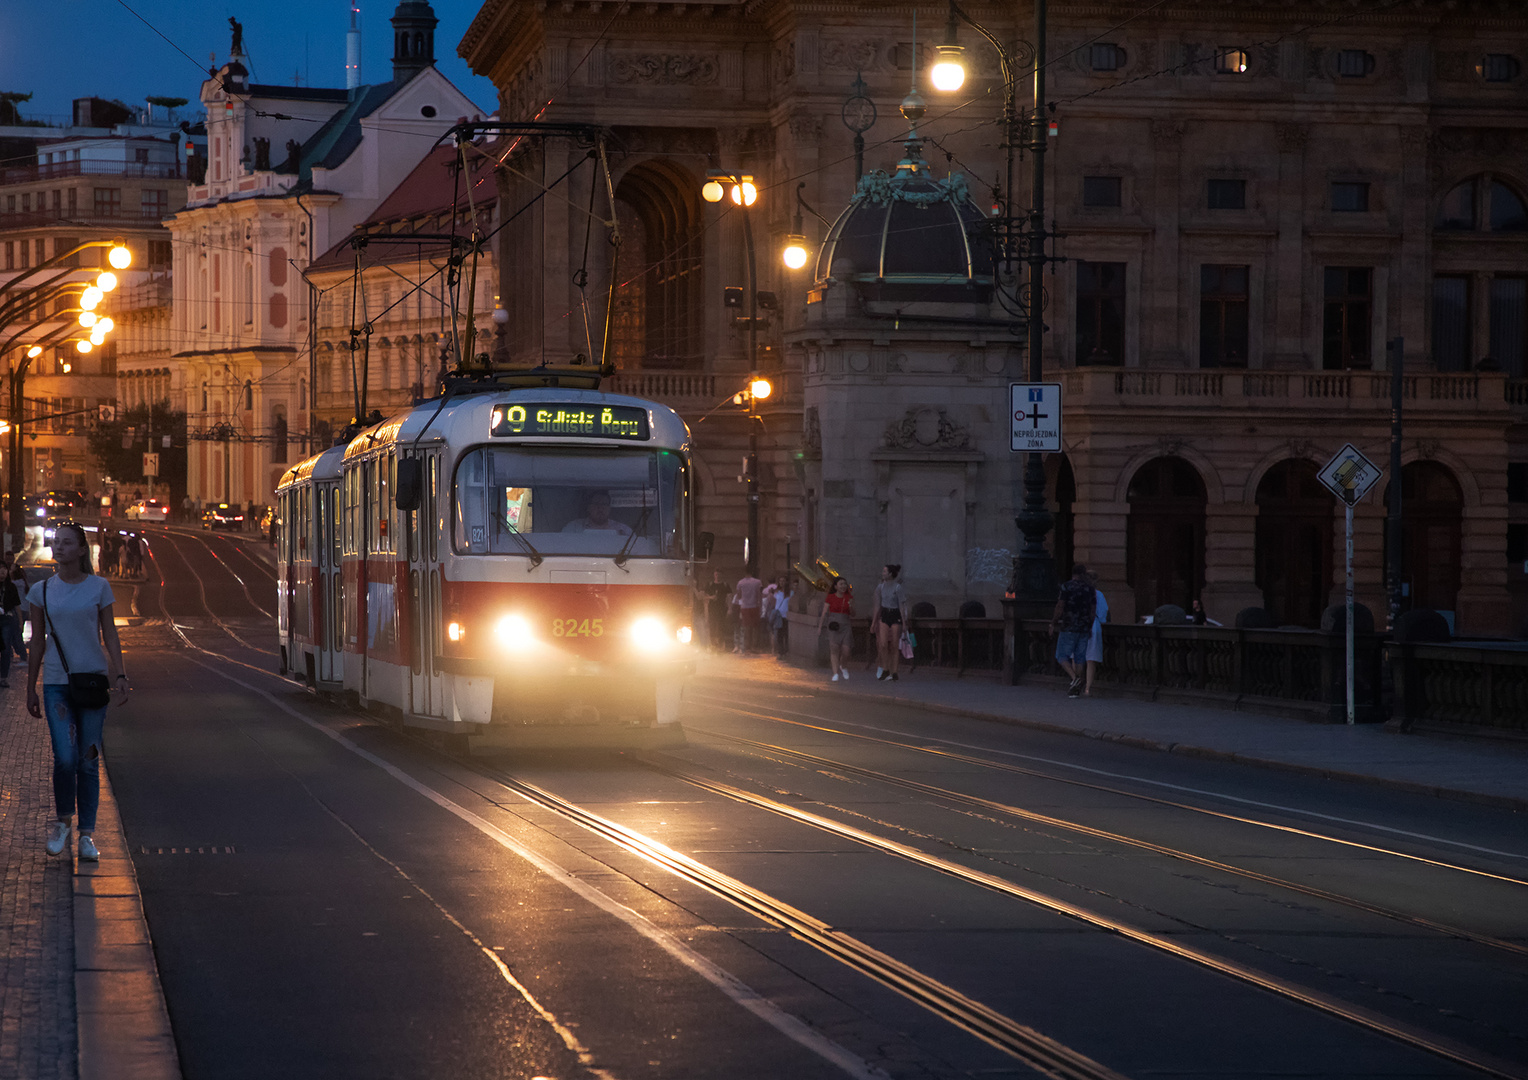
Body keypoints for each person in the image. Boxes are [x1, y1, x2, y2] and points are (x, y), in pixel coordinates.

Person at [27, 522, 129, 862]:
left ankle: (87, 834)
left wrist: (121, 673)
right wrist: (31, 687)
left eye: (67, 543)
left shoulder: (99, 587)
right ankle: (62, 824)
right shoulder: (40, 592)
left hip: (93, 682)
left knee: (87, 760)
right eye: (56, 543)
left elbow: (110, 633)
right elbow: (36, 643)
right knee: (65, 757)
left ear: (82, 550)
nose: (59, 548)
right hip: (56, 684)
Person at [1050, 563, 1097, 698]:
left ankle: (1075, 679)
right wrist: (1089, 626)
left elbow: (1060, 606)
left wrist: (1053, 622)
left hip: (1069, 626)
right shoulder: (1090, 589)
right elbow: (1092, 611)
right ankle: (1075, 689)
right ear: (1083, 574)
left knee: (1061, 655)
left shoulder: (1067, 586)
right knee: (1080, 658)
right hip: (1084, 627)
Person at [870, 564, 909, 681]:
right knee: (883, 644)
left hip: (895, 614)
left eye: (885, 571)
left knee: (894, 645)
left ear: (890, 574)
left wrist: (904, 622)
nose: (883, 573)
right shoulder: (880, 587)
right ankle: (886, 669)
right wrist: (873, 622)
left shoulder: (898, 587)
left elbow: (901, 605)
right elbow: (877, 606)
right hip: (885, 614)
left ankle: (895, 671)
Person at [816, 576, 854, 682]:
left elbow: (853, 614)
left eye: (844, 584)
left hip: (845, 624)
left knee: (846, 650)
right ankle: (835, 672)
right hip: (833, 624)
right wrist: (820, 627)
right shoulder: (830, 597)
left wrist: (851, 607)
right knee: (834, 649)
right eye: (841, 584)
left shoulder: (849, 598)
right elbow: (824, 613)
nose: (843, 586)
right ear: (836, 586)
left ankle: (843, 666)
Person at [561, 490, 633, 535]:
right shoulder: (573, 528)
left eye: (604, 504)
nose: (600, 508)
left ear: (609, 508)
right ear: (589, 507)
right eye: (596, 504)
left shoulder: (623, 530)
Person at [0, 556, 22, 688]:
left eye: (4, 569)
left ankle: (3, 677)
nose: (2, 572)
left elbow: (17, 605)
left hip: (7, 619)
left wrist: (20, 622)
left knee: (6, 649)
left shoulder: (11, 587)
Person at [1085, 577, 1108, 697]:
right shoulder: (1098, 594)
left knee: (1077, 657)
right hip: (1094, 625)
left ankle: (1076, 681)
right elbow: (1103, 611)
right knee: (1091, 659)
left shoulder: (1080, 592)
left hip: (1081, 624)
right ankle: (1088, 688)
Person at [734, 569, 763, 653]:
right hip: (755, 606)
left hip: (744, 607)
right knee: (755, 627)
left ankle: (747, 647)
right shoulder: (758, 582)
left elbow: (738, 595)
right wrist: (760, 607)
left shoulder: (740, 583)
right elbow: (759, 595)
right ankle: (755, 646)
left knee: (747, 627)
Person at [769, 575, 792, 656]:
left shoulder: (790, 592)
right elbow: (773, 602)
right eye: (780, 581)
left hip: (786, 616)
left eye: (783, 581)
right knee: (779, 634)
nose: (782, 582)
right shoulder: (776, 592)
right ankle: (780, 651)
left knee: (786, 633)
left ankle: (786, 650)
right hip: (778, 615)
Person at [704, 570, 728, 651]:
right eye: (716, 574)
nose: (717, 576)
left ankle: (721, 644)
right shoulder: (710, 585)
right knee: (712, 626)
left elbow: (729, 596)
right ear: (714, 575)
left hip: (722, 609)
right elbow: (704, 596)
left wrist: (730, 608)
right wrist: (711, 597)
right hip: (712, 609)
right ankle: (713, 644)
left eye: (719, 574)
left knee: (721, 626)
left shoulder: (725, 585)